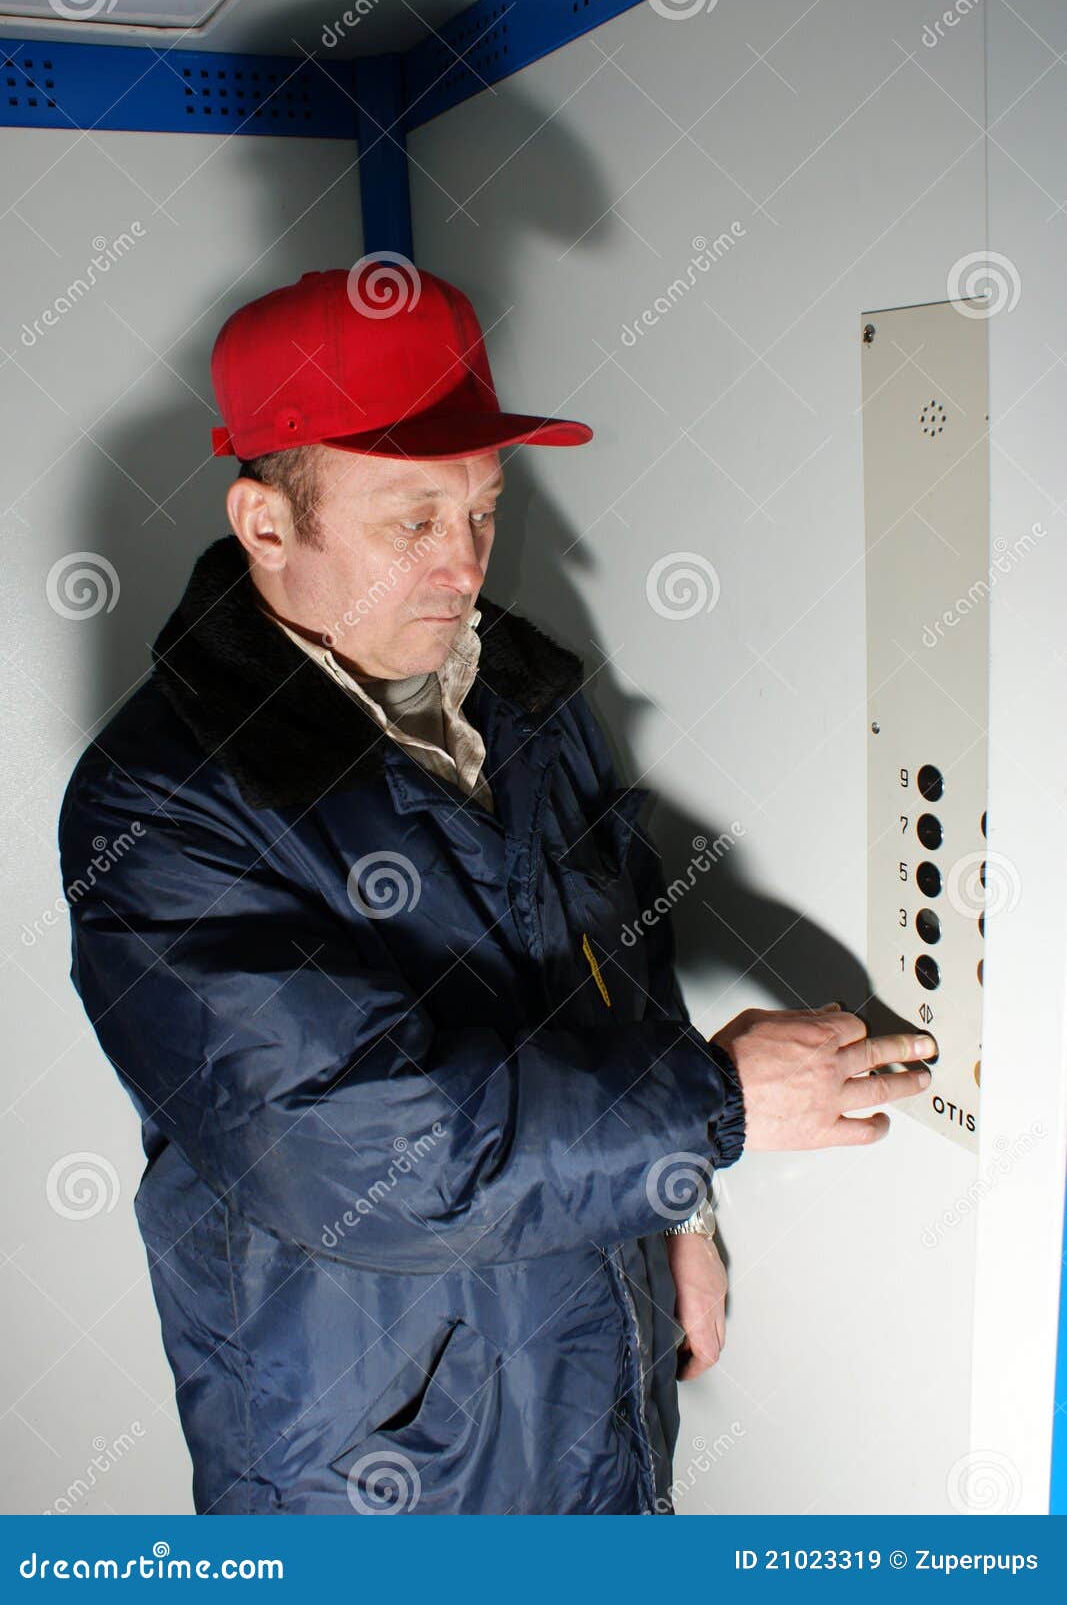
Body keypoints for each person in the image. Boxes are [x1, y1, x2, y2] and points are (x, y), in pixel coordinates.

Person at [57, 263, 936, 1516]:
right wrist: (711, 1108)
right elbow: (353, 1148)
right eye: (409, 520)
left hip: (599, 1357)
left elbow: (613, 972)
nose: (461, 564)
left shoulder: (520, 693)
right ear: (265, 525)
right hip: (370, 1451)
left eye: (480, 508)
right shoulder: (163, 798)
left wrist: (675, 1199)